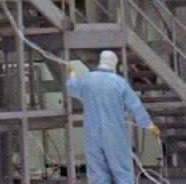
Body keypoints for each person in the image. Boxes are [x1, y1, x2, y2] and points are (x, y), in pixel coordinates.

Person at [66, 50, 160, 184]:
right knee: (122, 173)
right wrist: (149, 125)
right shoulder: (119, 82)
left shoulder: (86, 79)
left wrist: (72, 73)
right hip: (114, 134)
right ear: (114, 64)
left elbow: (72, 89)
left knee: (97, 174)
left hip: (92, 135)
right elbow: (135, 107)